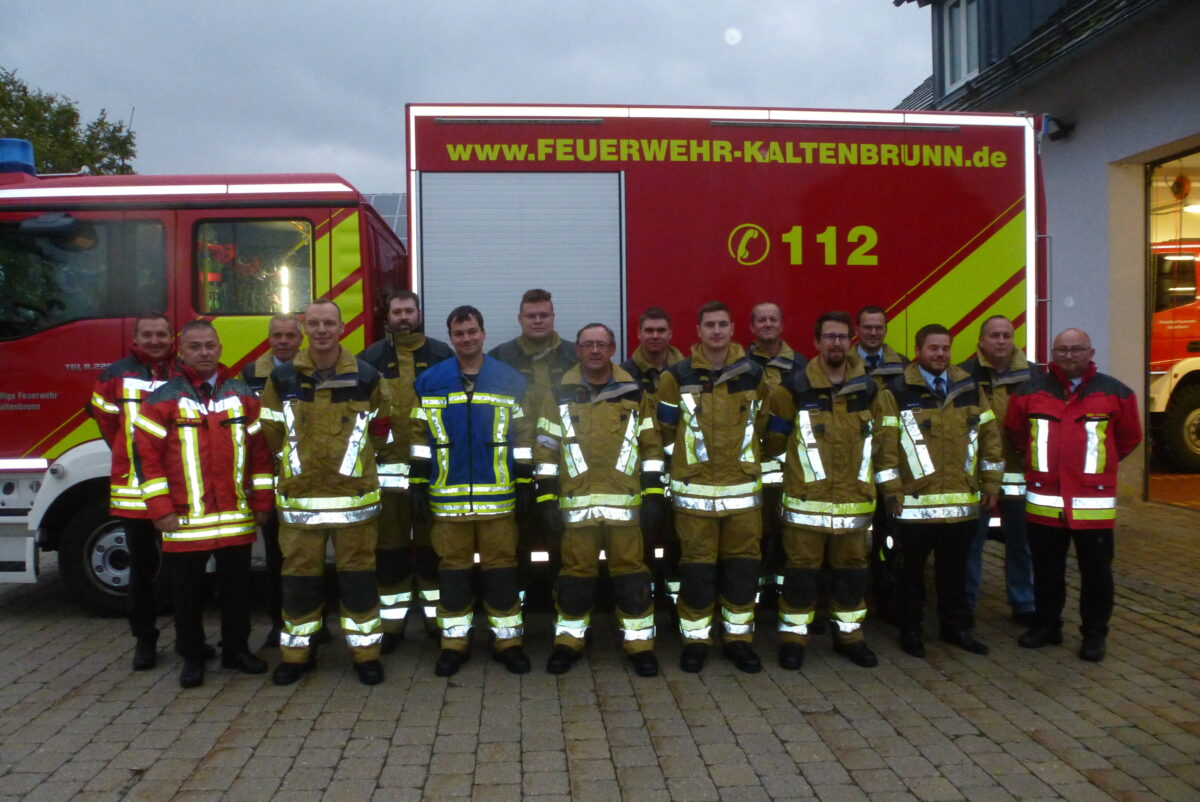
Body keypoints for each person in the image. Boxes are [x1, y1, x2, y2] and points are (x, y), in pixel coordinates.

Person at [133, 320, 273, 687]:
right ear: (182, 351)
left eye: (209, 345)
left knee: (237, 591)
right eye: (195, 346)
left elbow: (260, 454)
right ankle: (192, 656)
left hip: (235, 515)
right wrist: (160, 509)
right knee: (187, 595)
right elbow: (146, 458)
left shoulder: (242, 394)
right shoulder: (162, 399)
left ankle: (236, 650)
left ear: (220, 348)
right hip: (184, 518)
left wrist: (262, 500)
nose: (204, 352)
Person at [260, 298, 387, 686]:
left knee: (359, 582)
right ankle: (297, 656)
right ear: (304, 329)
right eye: (313, 323)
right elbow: (271, 431)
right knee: (299, 582)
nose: (321, 330)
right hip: (301, 503)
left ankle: (365, 655)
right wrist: (298, 466)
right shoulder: (281, 380)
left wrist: (357, 466)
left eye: (328, 323)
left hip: (354, 503)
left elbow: (383, 430)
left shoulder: (367, 377)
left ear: (342, 328)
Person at [535, 323, 664, 677]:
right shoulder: (559, 392)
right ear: (577, 350)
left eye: (601, 344)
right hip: (575, 507)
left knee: (632, 575)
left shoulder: (635, 393)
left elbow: (651, 447)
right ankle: (568, 642)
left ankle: (639, 646)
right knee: (575, 576)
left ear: (612, 349)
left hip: (626, 506)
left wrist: (654, 496)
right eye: (587, 344)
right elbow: (546, 447)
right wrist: (546, 499)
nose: (594, 350)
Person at [411, 305, 535, 677]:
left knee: (502, 572)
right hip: (447, 501)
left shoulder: (510, 380)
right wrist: (417, 482)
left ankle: (508, 643)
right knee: (453, 574)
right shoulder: (430, 382)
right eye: (459, 333)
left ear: (483, 333)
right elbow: (419, 436)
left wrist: (527, 480)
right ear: (451, 338)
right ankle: (453, 644)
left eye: (472, 332)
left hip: (498, 499)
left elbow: (524, 435)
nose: (466, 339)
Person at [1006, 328, 1141, 662]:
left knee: (1096, 575)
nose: (1068, 355)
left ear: (1091, 352)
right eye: (1062, 349)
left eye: (1076, 349)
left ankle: (1094, 635)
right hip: (1045, 502)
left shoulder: (1116, 393)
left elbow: (1128, 438)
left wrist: (1095, 471)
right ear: (1053, 353)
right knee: (1047, 571)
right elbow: (1016, 431)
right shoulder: (1029, 392)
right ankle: (1047, 626)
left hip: (1091, 505)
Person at [876, 323, 1003, 659]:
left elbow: (990, 438)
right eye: (933, 348)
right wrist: (891, 492)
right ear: (918, 351)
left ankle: (956, 628)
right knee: (911, 576)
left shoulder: (969, 388)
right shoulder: (897, 391)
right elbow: (885, 448)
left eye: (945, 348)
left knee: (954, 573)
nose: (940, 354)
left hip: (962, 504)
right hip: (914, 506)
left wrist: (992, 483)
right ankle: (911, 630)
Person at [656, 301, 770, 673]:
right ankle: (695, 640)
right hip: (694, 495)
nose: (717, 331)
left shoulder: (754, 374)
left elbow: (767, 426)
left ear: (734, 328)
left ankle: (739, 640)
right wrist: (685, 468)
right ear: (698, 330)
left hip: (742, 493)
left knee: (741, 570)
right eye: (710, 325)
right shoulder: (677, 375)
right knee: (697, 572)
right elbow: (665, 430)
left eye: (723, 324)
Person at [763, 311, 881, 670]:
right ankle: (794, 640)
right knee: (800, 572)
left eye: (843, 337)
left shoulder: (868, 389)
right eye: (829, 336)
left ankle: (850, 637)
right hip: (806, 503)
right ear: (816, 343)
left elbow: (882, 441)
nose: (836, 343)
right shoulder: (793, 388)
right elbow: (773, 442)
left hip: (854, 502)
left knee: (852, 572)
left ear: (851, 341)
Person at [359, 291, 452, 652]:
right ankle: (393, 627)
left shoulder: (441, 355)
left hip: (432, 475)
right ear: (388, 314)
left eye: (409, 311)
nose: (403, 317)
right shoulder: (369, 359)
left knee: (434, 552)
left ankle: (435, 621)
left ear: (419, 314)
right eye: (397, 311)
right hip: (386, 479)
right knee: (391, 554)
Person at [88, 312, 181, 671]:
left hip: (179, 488)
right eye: (149, 335)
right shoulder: (113, 375)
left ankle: (191, 638)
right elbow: (108, 427)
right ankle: (144, 639)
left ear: (171, 337)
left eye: (162, 334)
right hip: (134, 491)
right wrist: (132, 458)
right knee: (142, 570)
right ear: (135, 338)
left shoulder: (181, 373)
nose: (155, 340)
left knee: (184, 570)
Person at [489, 288, 579, 602]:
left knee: (564, 539)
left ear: (553, 317)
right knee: (519, 540)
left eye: (544, 315)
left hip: (567, 466)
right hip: (517, 469)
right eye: (532, 315)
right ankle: (520, 607)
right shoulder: (500, 357)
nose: (538, 321)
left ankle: (565, 607)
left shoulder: (574, 354)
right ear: (520, 319)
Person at [957, 315, 1037, 626]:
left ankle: (1025, 604)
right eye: (994, 335)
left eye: (1006, 335)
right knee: (970, 545)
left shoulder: (1033, 376)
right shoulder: (964, 375)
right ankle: (966, 604)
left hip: (1019, 475)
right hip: (977, 475)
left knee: (1022, 544)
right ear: (980, 341)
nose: (1001, 341)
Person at [241, 312, 303, 648]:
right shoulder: (251, 373)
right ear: (269, 338)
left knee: (308, 557)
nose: (283, 341)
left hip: (307, 478)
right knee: (276, 558)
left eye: (290, 335)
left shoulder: (311, 369)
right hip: (271, 477)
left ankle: (314, 623)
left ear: (300, 339)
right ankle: (278, 623)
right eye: (277, 335)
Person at [619, 307, 684, 606]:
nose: (655, 336)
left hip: (684, 469)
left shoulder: (688, 371)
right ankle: (641, 601)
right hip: (640, 471)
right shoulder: (623, 376)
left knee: (680, 541)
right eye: (649, 330)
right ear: (639, 334)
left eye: (661, 330)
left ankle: (675, 604)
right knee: (641, 539)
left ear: (671, 334)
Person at [746, 302, 807, 613]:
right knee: (753, 537)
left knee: (788, 538)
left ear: (781, 325)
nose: (767, 324)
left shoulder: (802, 367)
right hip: (751, 467)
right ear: (752, 327)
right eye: (761, 320)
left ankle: (785, 599)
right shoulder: (741, 364)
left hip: (790, 468)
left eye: (773, 319)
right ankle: (754, 601)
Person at [856, 305, 909, 626]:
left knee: (889, 539)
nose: (873, 333)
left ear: (885, 330)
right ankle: (847, 599)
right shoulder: (843, 366)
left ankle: (887, 598)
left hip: (889, 465)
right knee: (847, 539)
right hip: (852, 467)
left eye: (878, 327)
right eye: (867, 327)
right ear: (857, 330)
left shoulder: (903, 368)